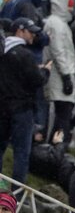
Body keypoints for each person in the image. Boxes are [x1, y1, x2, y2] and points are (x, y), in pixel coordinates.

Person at [0, 18, 47, 184]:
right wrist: (45, 72)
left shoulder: (3, 51)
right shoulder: (25, 54)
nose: (33, 34)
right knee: (21, 153)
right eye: (30, 31)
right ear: (19, 31)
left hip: (3, 107)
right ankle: (16, 196)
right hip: (22, 109)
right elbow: (37, 80)